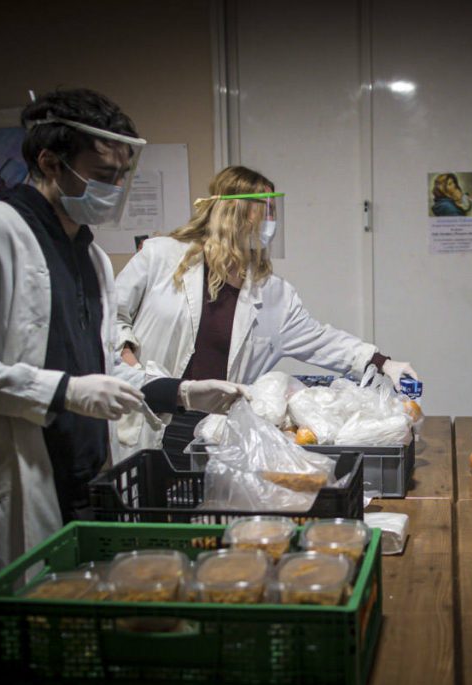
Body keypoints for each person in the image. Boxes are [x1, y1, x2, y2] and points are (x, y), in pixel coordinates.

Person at [0, 89, 246, 595]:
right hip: (17, 469)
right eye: (102, 175)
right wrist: (62, 391)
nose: (114, 189)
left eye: (120, 177)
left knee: (75, 608)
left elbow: (103, 367)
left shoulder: (91, 258)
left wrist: (178, 392)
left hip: (88, 467)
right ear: (50, 161)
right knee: (16, 614)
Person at [114, 165, 420, 463]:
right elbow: (112, 319)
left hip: (215, 428)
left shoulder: (272, 292)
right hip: (154, 411)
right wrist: (134, 367)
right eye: (267, 210)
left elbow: (321, 340)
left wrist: (383, 362)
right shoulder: (160, 257)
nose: (271, 221)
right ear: (237, 213)